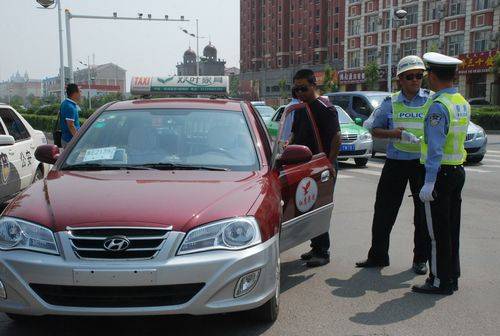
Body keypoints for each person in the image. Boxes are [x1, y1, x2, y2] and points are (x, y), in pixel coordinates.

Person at [356, 55, 431, 275]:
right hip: (396, 162)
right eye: (410, 77)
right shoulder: (391, 102)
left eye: (419, 76)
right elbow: (374, 128)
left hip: (421, 164)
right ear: (400, 79)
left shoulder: (431, 100)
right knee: (383, 211)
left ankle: (420, 259)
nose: (415, 80)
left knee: (423, 215)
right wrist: (396, 134)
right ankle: (378, 256)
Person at [412, 52, 469, 295]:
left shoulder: (438, 106)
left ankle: (438, 281)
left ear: (432, 76)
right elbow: (446, 139)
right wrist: (418, 139)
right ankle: (451, 277)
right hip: (457, 171)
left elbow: (436, 149)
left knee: (436, 233)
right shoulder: (460, 102)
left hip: (440, 175)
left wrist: (429, 181)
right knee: (451, 229)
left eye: (426, 75)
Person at [291, 69, 341, 267]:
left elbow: (336, 137)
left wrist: (329, 163)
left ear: (314, 85)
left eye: (303, 88)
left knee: (319, 206)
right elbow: (296, 133)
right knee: (308, 206)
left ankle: (323, 251)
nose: (300, 93)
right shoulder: (301, 107)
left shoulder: (324, 107)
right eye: (296, 90)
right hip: (305, 166)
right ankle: (315, 246)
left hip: (322, 166)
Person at [60, 83, 82, 148]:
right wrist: (77, 139)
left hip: (66, 139)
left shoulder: (65, 103)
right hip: (70, 140)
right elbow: (71, 125)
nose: (81, 94)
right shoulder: (70, 107)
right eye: (79, 91)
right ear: (75, 93)